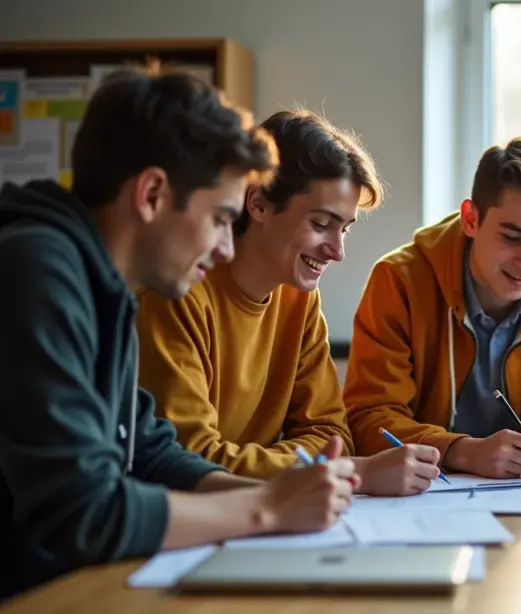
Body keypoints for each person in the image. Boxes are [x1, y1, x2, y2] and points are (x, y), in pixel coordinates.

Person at [0, 68, 358, 600]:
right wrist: (266, 508)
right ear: (152, 194)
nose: (226, 248)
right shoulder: (38, 267)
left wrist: (283, 490)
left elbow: (149, 451)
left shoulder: (104, 281)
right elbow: (86, 510)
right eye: (219, 218)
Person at [136, 109, 442, 495]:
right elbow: (189, 458)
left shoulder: (299, 299)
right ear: (260, 204)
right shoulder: (176, 295)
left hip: (262, 510)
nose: (337, 251)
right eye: (320, 224)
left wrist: (303, 468)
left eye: (344, 229)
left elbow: (331, 432)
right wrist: (342, 471)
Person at [343, 136, 521, 478]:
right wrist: (462, 452)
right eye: (512, 238)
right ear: (470, 219)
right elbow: (369, 417)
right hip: (423, 499)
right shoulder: (398, 281)